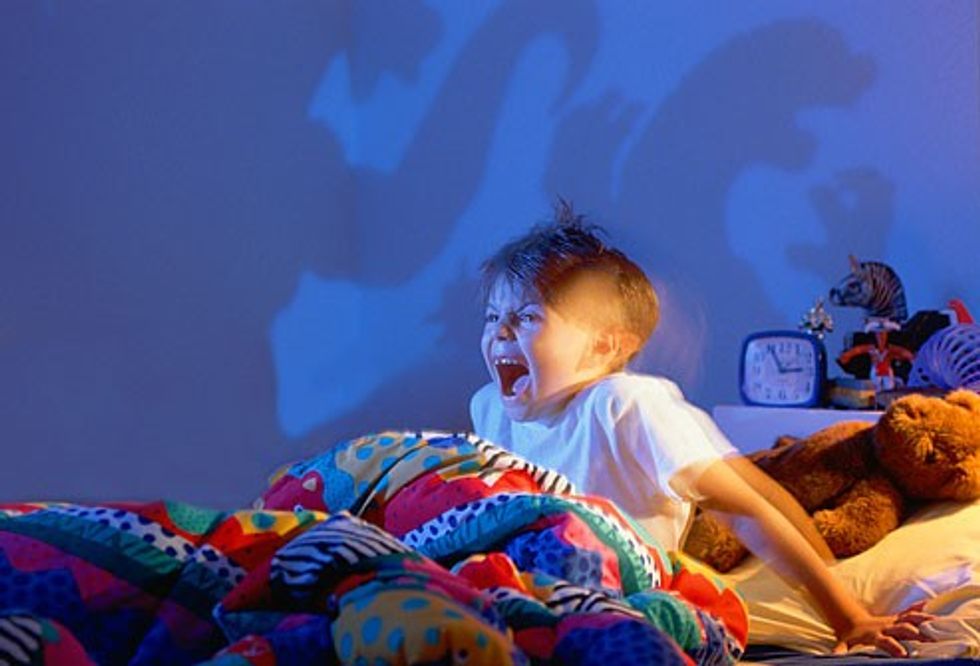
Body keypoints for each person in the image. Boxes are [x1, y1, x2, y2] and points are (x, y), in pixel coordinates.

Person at [469, 201, 929, 657]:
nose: (500, 333)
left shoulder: (625, 404)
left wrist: (848, 618)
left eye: (526, 317)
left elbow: (749, 511)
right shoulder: (489, 408)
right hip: (528, 597)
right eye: (492, 317)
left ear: (605, 345)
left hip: (621, 604)